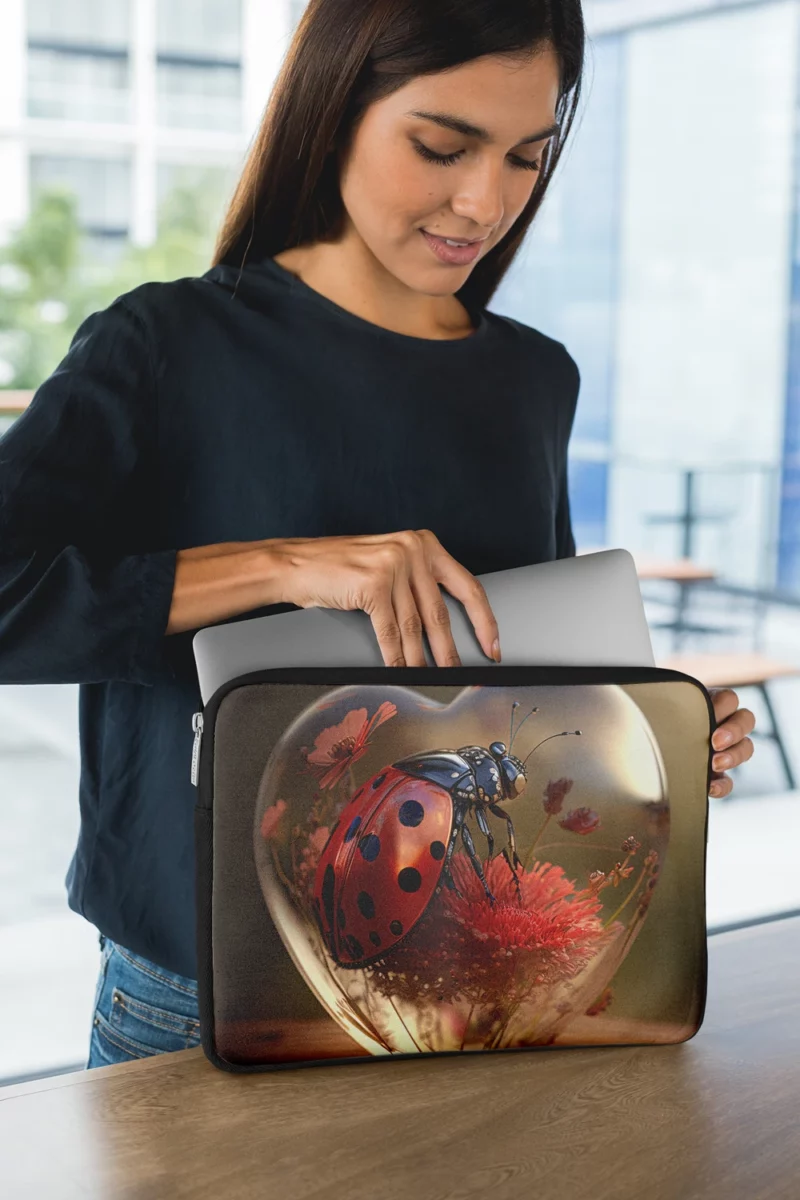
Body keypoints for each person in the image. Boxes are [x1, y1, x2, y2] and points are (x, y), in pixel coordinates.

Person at [0, 0, 755, 1070]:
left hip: (469, 995)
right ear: (333, 108)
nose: (482, 201)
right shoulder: (164, 345)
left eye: (524, 158)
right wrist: (288, 567)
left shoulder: (535, 378)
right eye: (440, 146)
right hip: (196, 997)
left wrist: (664, 732)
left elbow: (519, 677)